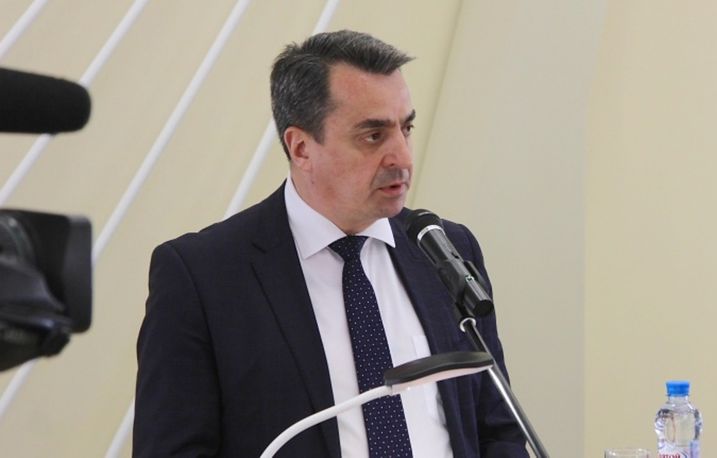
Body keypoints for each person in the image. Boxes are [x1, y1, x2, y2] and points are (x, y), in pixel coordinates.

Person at [134, 30, 528, 457]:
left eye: (406, 128)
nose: (402, 157)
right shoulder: (202, 277)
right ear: (301, 147)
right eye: (373, 135)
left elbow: (499, 429)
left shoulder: (446, 250)